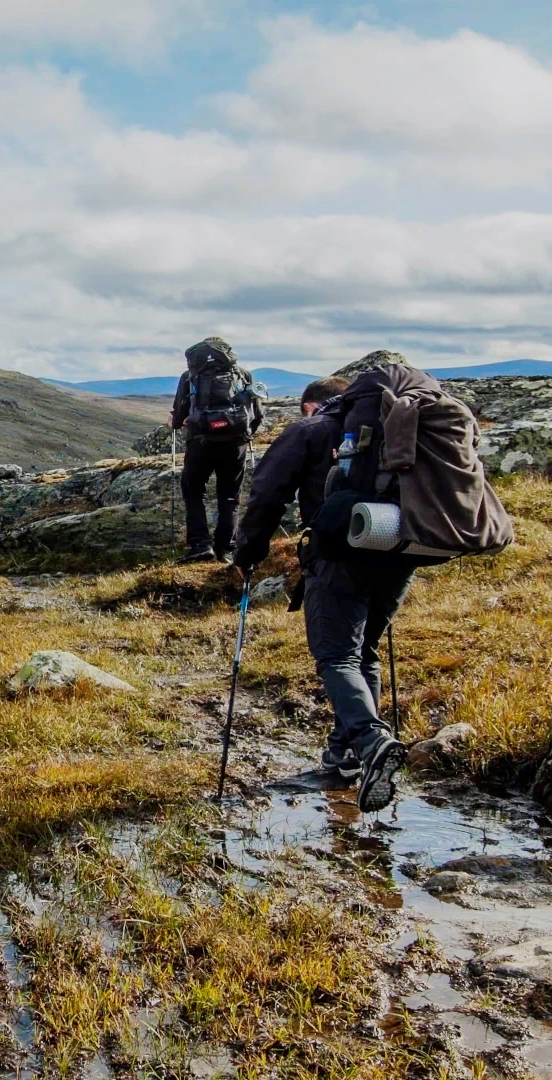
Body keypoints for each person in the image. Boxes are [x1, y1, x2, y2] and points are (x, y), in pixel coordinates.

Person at [230, 374, 411, 812]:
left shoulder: (310, 429)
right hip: (400, 546)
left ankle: (370, 743)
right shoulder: (401, 426)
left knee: (337, 656)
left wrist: (247, 553)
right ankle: (344, 758)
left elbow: (267, 494)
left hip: (339, 554)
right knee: (362, 652)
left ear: (313, 405)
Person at [168, 337, 259, 563]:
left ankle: (200, 546)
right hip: (235, 444)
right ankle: (225, 550)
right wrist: (246, 434)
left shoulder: (189, 376)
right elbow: (256, 414)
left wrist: (175, 422)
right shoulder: (243, 375)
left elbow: (180, 414)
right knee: (230, 496)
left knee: (193, 491)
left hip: (200, 443)